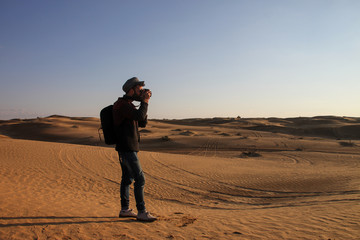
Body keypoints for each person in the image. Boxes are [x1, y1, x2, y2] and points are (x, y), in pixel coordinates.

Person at [112, 77, 157, 222]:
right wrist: (145, 102)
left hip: (128, 148)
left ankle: (125, 209)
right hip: (127, 149)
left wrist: (144, 103)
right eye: (139, 88)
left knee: (127, 179)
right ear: (131, 90)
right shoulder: (122, 105)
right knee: (140, 179)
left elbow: (141, 121)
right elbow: (139, 115)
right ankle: (142, 212)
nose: (141, 91)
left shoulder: (129, 105)